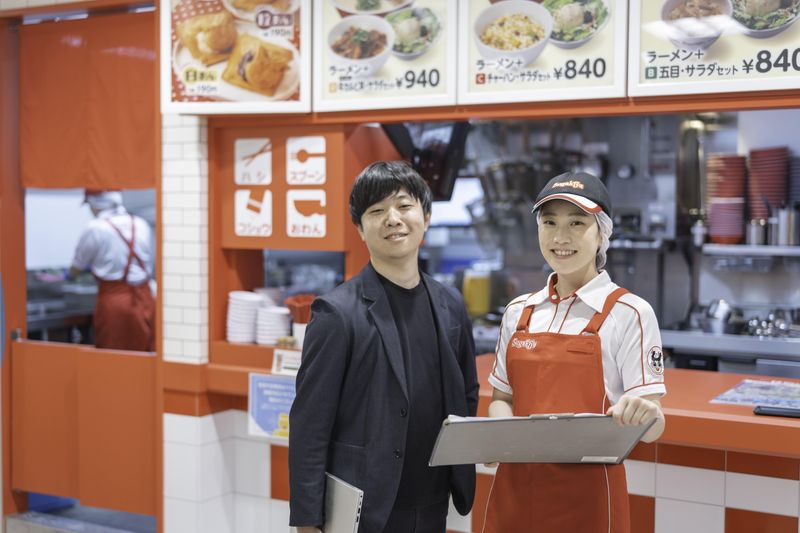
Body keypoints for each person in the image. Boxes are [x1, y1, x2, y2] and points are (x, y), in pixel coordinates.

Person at [289, 161, 479, 533]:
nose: (393, 219)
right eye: (377, 211)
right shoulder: (337, 313)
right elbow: (310, 425)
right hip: (364, 507)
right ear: (360, 229)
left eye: (404, 206)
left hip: (433, 501)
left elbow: (466, 391)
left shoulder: (450, 303)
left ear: (425, 217)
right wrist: (307, 522)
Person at [484, 171, 667, 533]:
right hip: (514, 495)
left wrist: (646, 415)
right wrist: (498, 438)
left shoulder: (630, 313)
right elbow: (502, 398)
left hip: (588, 502)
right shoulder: (518, 312)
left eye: (577, 223)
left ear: (602, 233)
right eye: (549, 222)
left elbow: (653, 427)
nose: (560, 237)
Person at [69, 189, 155, 351]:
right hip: (145, 297)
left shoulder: (95, 227)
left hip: (114, 301)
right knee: (143, 353)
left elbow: (77, 267)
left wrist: (69, 275)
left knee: (113, 354)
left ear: (95, 204)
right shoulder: (140, 223)